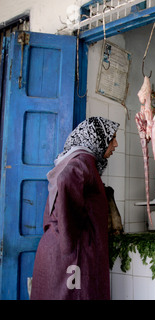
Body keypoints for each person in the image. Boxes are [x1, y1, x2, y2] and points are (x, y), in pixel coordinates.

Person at [30, 117, 119, 300]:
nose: (115, 145)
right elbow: (66, 181)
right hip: (71, 257)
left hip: (58, 250)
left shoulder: (76, 159)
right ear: (97, 139)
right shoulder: (83, 161)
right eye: (112, 139)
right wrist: (71, 242)